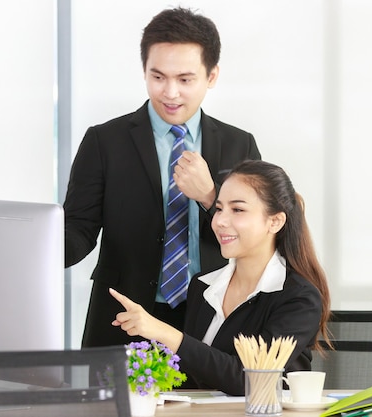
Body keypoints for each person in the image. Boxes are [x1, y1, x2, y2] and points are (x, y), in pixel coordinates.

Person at [63, 7, 261, 348]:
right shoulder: (104, 141)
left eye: (185, 80)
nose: (170, 93)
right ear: (144, 70)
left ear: (211, 76)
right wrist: (30, 253)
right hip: (123, 317)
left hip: (212, 319)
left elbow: (258, 238)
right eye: (158, 77)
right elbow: (78, 230)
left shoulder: (238, 144)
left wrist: (210, 196)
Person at [110, 160, 332, 395]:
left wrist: (166, 333)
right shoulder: (204, 285)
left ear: (275, 221)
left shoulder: (299, 298)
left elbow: (249, 380)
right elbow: (189, 377)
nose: (219, 221)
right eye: (218, 209)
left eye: (237, 210)